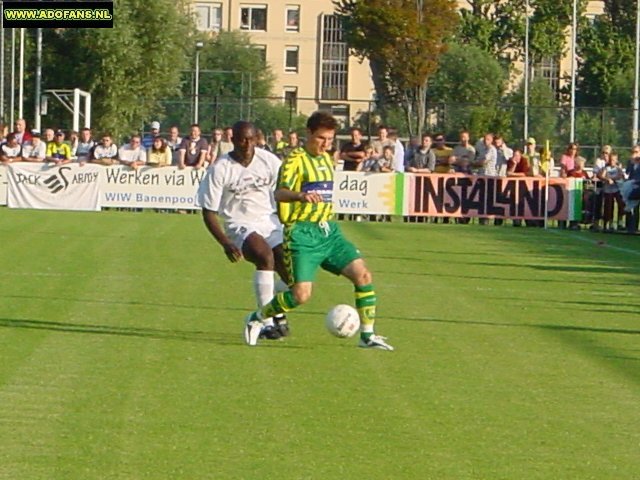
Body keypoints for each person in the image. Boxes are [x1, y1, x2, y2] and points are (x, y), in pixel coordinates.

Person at [244, 111, 394, 350]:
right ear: (309, 134)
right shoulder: (294, 160)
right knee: (301, 295)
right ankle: (258, 318)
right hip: (302, 234)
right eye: (321, 138)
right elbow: (279, 193)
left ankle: (367, 335)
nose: (325, 144)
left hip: (328, 231)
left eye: (330, 139)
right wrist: (300, 196)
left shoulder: (326, 159)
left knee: (363, 274)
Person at [198, 121, 289, 341]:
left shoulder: (269, 161)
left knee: (294, 273)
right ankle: (266, 321)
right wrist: (225, 243)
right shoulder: (220, 168)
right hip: (240, 225)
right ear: (232, 140)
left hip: (271, 222)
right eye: (241, 139)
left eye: (251, 139)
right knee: (264, 256)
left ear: (257, 138)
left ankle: (273, 303)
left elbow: (284, 189)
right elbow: (208, 211)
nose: (247, 144)